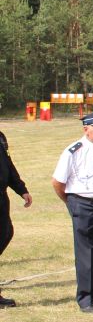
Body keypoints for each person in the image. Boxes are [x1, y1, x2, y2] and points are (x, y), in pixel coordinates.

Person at [51, 112, 93, 313]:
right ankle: (86, 300)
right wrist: (71, 203)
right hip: (83, 203)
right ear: (86, 129)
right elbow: (57, 182)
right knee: (86, 253)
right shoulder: (73, 151)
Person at [0, 127, 31, 307]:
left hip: (2, 197)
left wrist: (21, 189)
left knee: (6, 233)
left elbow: (8, 165)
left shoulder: (0, 137)